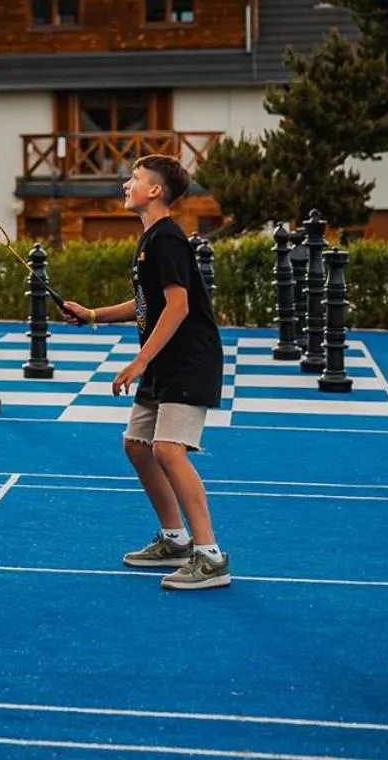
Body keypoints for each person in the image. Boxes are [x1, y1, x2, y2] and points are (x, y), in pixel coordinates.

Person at [57, 154, 229, 591]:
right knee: (137, 446)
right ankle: (175, 539)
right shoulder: (150, 238)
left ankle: (210, 556)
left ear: (155, 190)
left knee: (169, 450)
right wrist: (92, 314)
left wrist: (140, 361)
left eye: (134, 178)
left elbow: (178, 306)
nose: (126, 184)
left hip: (189, 361)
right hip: (164, 361)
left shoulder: (167, 237)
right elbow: (145, 304)